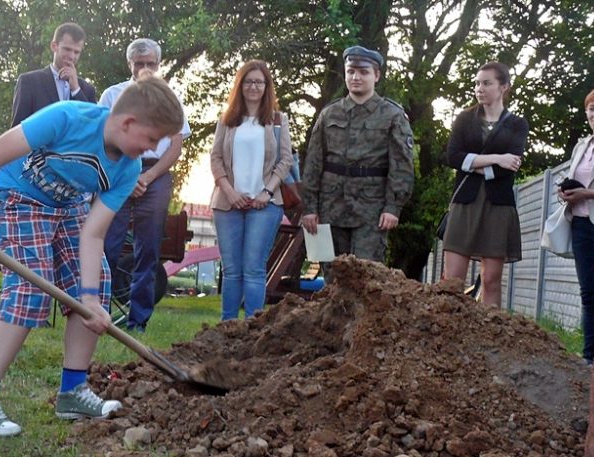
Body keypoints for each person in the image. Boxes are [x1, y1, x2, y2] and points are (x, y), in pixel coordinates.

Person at [0, 76, 184, 437]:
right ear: (128, 123)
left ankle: (73, 391)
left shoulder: (128, 168)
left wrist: (89, 298)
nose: (153, 149)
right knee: (30, 292)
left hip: (68, 205)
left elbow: (93, 234)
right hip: (19, 195)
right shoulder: (67, 118)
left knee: (96, 283)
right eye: (152, 139)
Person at [99, 38, 191, 333]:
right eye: (140, 63)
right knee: (107, 245)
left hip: (156, 174)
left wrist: (147, 178)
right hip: (118, 171)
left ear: (158, 64)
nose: (145, 68)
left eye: (151, 63)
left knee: (148, 249)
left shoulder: (171, 99)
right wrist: (127, 176)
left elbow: (175, 147)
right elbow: (101, 138)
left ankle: (138, 319)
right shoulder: (112, 95)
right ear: (130, 64)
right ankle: (98, 312)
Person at [300, 45, 415, 272]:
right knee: (331, 275)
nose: (356, 77)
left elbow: (401, 165)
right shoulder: (329, 113)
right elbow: (313, 162)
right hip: (329, 207)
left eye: (363, 72)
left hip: (371, 210)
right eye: (351, 71)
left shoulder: (392, 115)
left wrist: (393, 206)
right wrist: (309, 207)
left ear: (376, 75)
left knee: (367, 275)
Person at [209, 60, 292, 320]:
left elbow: (285, 160)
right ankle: (227, 327)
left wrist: (266, 193)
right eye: (248, 81)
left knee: (254, 269)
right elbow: (215, 159)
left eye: (259, 82)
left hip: (264, 206)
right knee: (232, 270)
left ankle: (252, 331)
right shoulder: (227, 120)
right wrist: (230, 192)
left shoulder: (278, 121)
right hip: (227, 204)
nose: (253, 86)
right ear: (240, 85)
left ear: (267, 86)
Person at [442, 61, 529, 308]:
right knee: (452, 280)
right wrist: (496, 159)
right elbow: (452, 157)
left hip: (498, 204)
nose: (480, 88)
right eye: (477, 83)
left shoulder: (517, 124)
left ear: (504, 87)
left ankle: (491, 332)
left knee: (491, 279)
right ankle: (448, 328)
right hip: (465, 202)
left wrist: (473, 163)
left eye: (487, 83)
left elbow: (511, 166)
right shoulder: (464, 119)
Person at [557, 87, 594, 365]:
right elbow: (571, 177)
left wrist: (590, 194)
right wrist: (563, 192)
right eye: (592, 109)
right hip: (580, 224)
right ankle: (588, 357)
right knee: (587, 293)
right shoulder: (581, 147)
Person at [9, 22, 96, 127]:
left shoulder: (87, 90)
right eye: (67, 49)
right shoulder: (29, 82)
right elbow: (17, 129)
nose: (72, 56)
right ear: (54, 46)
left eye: (76, 52)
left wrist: (76, 90)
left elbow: (93, 128)